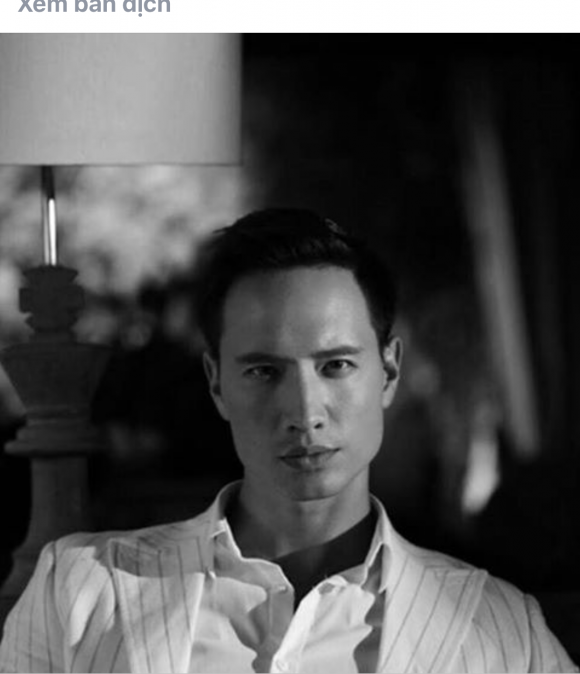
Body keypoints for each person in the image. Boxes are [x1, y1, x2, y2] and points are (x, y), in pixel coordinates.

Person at [0, 208, 576, 673]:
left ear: (388, 372)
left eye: (336, 366)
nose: (304, 413)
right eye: (264, 371)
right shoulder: (81, 592)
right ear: (216, 383)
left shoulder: (500, 630)